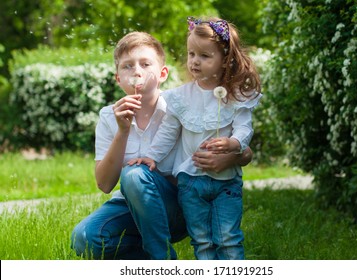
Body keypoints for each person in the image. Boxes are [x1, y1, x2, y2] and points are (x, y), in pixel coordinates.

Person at [70, 31, 253, 260]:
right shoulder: (109, 117)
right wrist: (123, 130)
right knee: (85, 238)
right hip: (133, 208)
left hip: (184, 203)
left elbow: (245, 151)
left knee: (135, 174)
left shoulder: (181, 105)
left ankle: (163, 262)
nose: (137, 71)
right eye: (127, 66)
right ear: (118, 78)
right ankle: (150, 256)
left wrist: (231, 157)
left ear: (163, 73)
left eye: (146, 64)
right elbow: (105, 184)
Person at [129, 17, 262, 260]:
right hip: (190, 181)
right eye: (191, 54)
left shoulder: (236, 95)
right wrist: (152, 156)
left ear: (225, 61)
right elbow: (168, 132)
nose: (195, 61)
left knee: (228, 238)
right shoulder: (181, 97)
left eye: (204, 56)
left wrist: (234, 144)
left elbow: (244, 127)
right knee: (201, 241)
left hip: (226, 182)